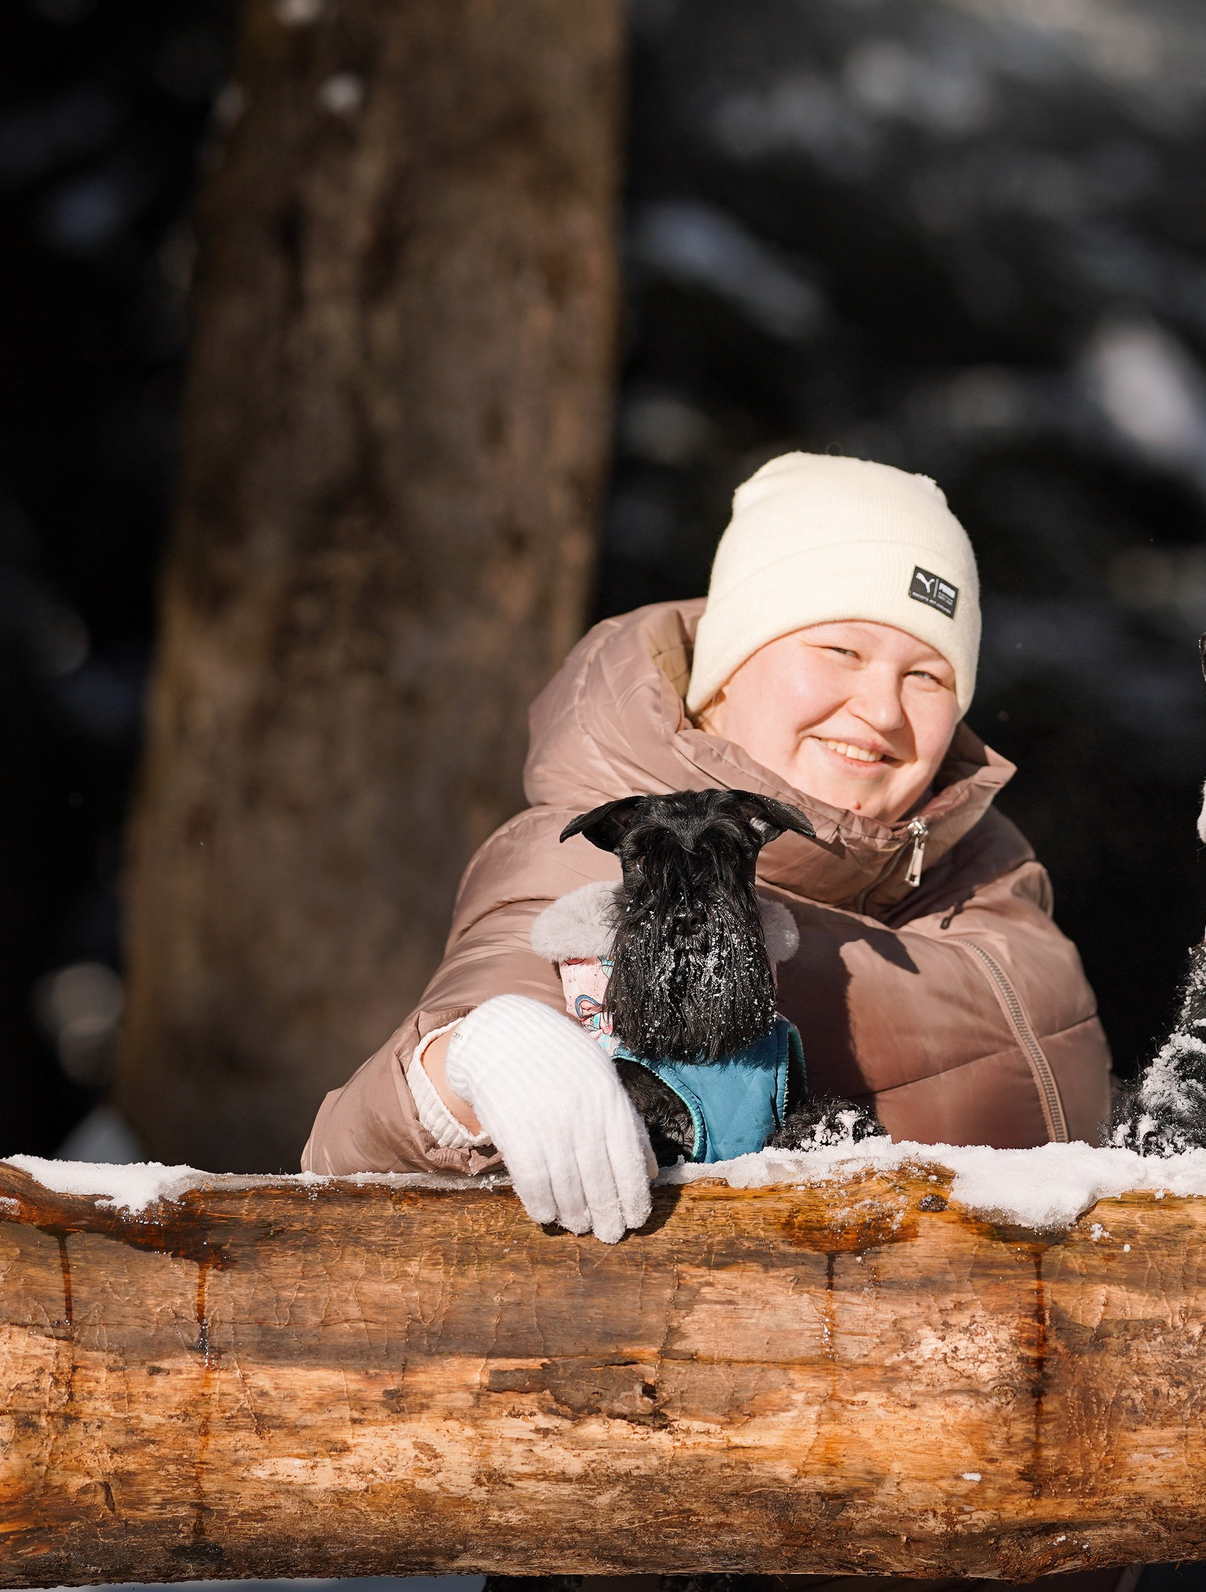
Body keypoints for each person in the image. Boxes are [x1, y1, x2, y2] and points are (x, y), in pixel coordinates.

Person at [301, 452, 1112, 1241]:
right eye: (840, 650)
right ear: (725, 669)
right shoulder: (616, 853)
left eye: (927, 676)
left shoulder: (993, 873)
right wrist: (470, 1061)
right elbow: (345, 1159)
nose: (882, 710)